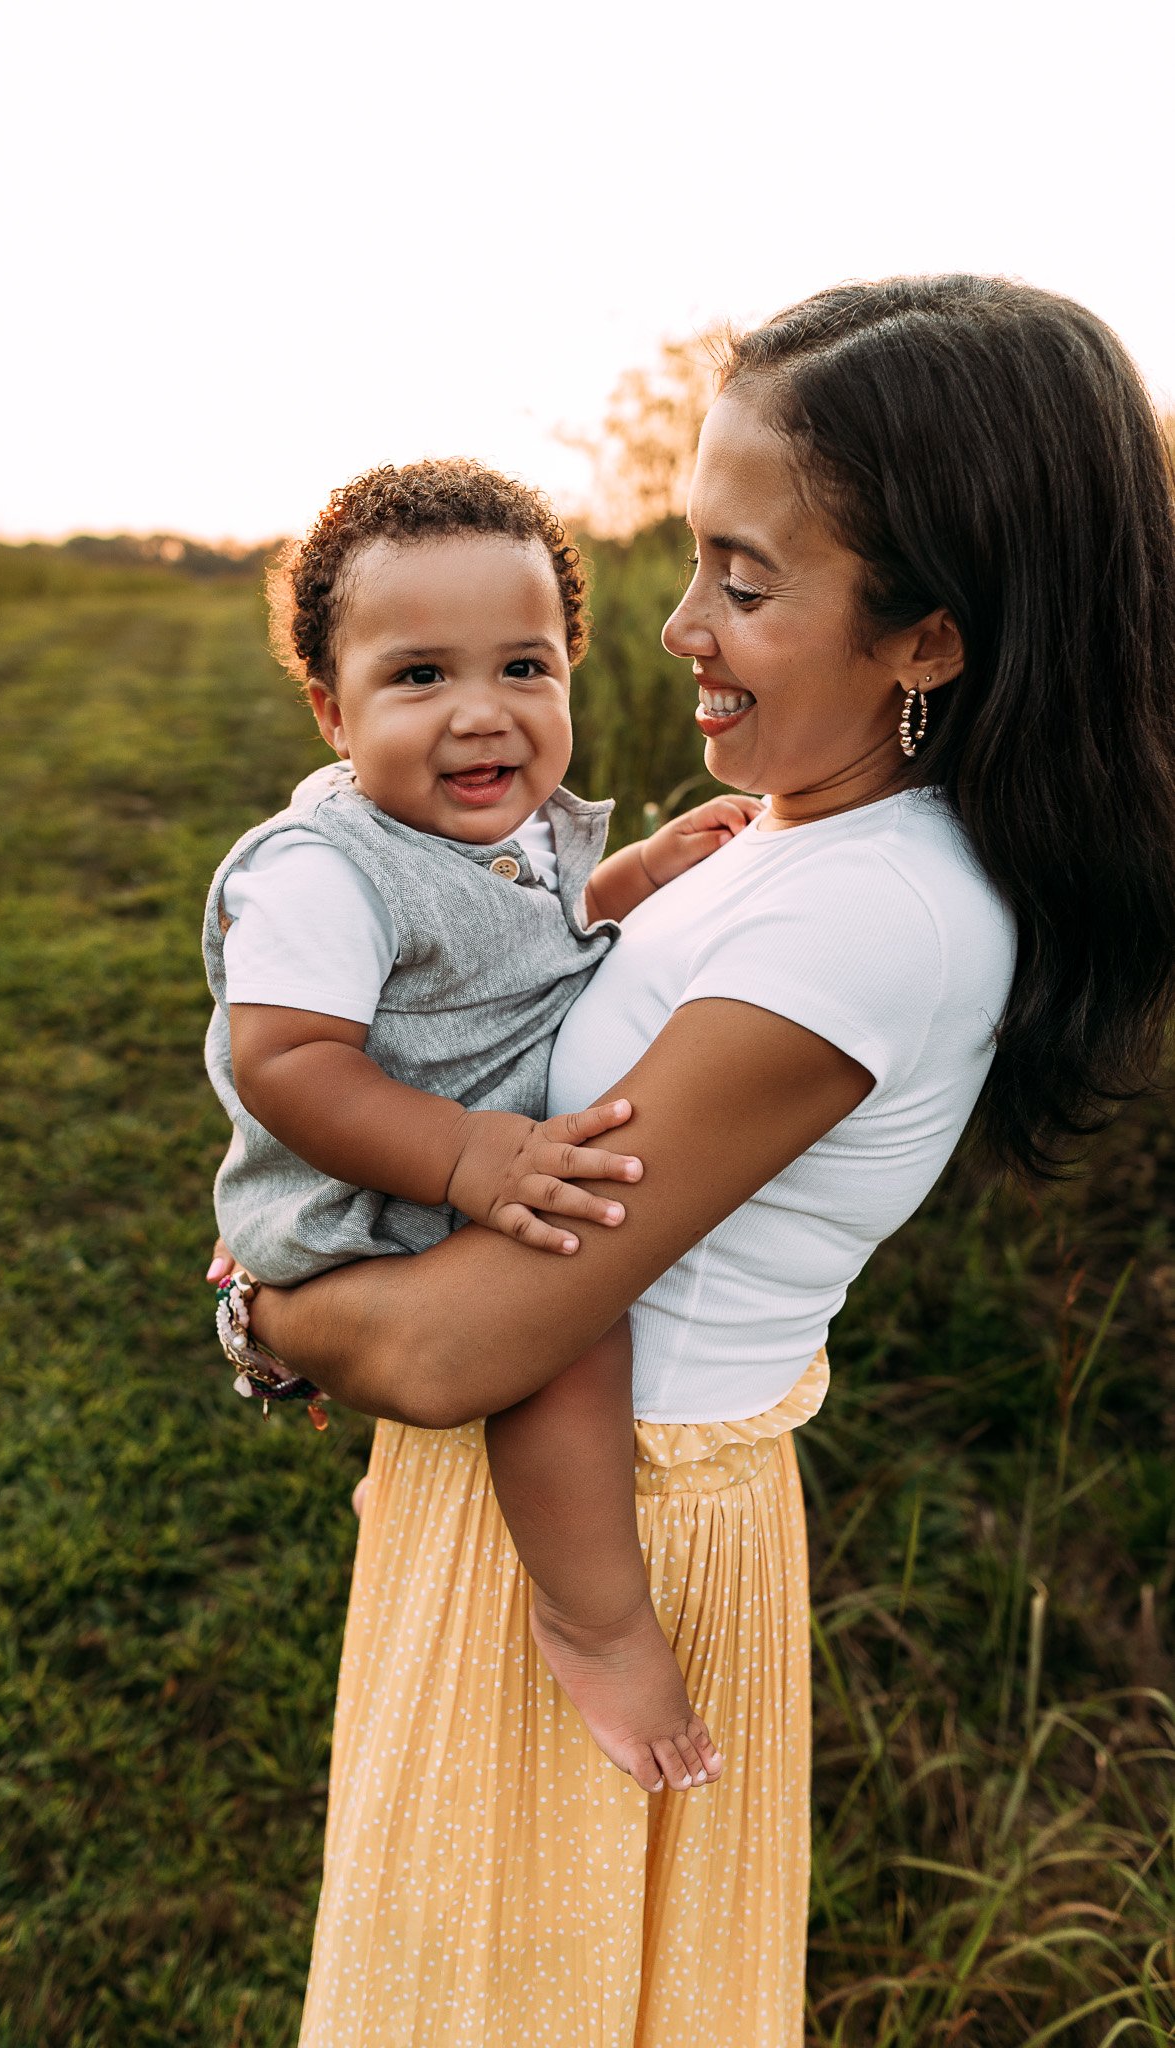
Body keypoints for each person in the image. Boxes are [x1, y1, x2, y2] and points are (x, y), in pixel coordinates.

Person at [226, 277, 1175, 2045]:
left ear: (933, 641)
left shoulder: (876, 917)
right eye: (689, 560)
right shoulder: (784, 834)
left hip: (615, 1541)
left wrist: (275, 1322)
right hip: (529, 1508)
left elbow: (458, 1347)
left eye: (746, 584)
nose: (675, 632)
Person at [202, 458, 762, 1793]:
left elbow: (530, 944)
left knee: (570, 1284)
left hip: (453, 1166)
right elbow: (285, 1063)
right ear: (333, 712)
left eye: (524, 668)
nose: (481, 716)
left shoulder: (513, 829)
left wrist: (639, 874)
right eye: (419, 678)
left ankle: (418, 1499)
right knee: (565, 1327)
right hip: (372, 1194)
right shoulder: (324, 874)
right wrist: (465, 1156)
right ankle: (598, 1621)